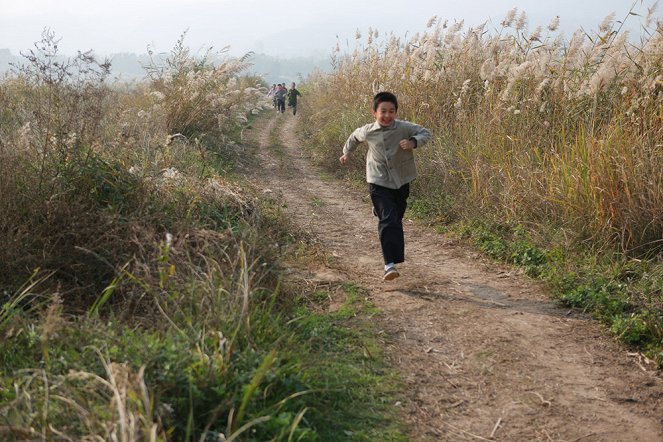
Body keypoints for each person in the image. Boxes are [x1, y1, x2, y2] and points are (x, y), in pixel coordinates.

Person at [339, 91, 431, 281]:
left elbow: (425, 133)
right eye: (383, 111)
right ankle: (389, 264)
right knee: (389, 220)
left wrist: (413, 142)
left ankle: (380, 210)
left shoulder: (404, 128)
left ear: (396, 113)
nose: (387, 115)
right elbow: (354, 137)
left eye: (391, 111)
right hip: (378, 180)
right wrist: (346, 153)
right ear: (374, 112)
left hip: (402, 179)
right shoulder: (368, 130)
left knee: (396, 217)